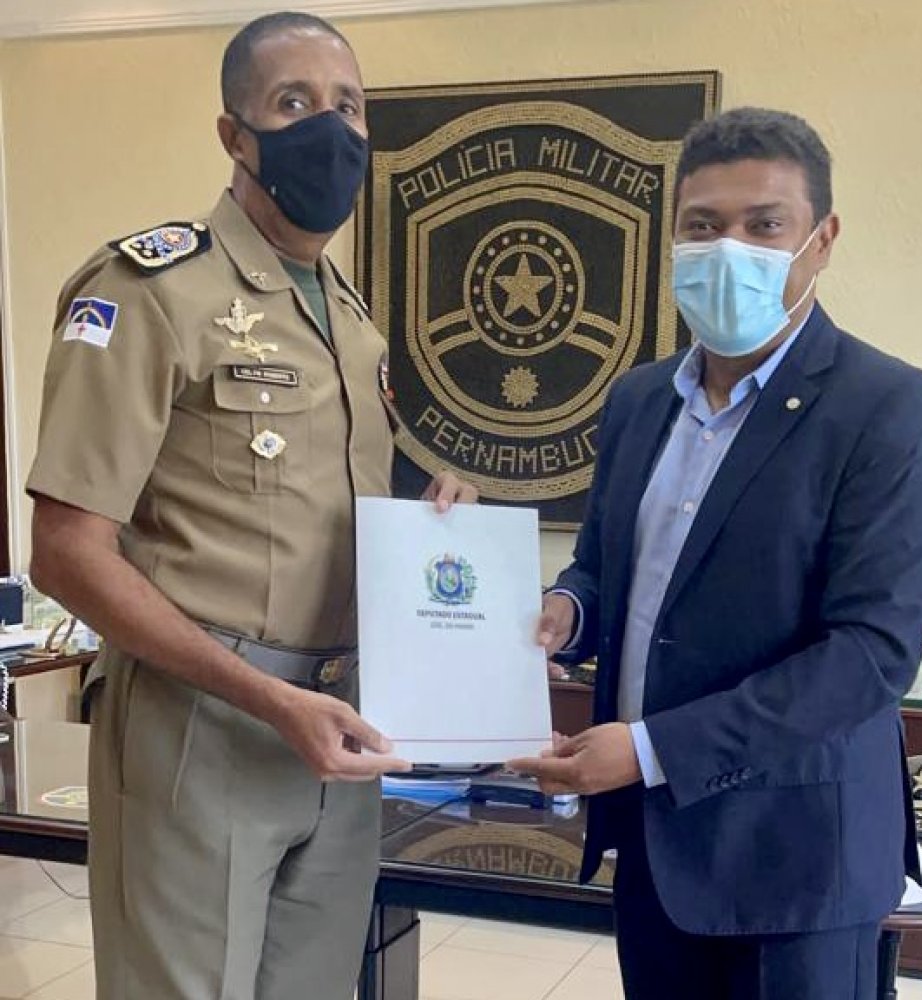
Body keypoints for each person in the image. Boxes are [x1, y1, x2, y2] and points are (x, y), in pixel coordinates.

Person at [26, 12, 475, 1000]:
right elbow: (65, 552)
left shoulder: (348, 317)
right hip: (201, 723)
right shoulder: (148, 291)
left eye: (348, 106)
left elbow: (317, 505)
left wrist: (434, 508)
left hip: (336, 724)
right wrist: (271, 700)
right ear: (235, 134)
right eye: (294, 102)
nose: (329, 127)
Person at [511, 107, 922, 1000]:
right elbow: (603, 565)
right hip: (654, 845)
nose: (729, 250)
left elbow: (869, 655)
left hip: (797, 865)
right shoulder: (639, 401)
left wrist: (650, 749)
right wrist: (570, 609)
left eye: (764, 226)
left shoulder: (889, 408)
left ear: (822, 240)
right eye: (704, 225)